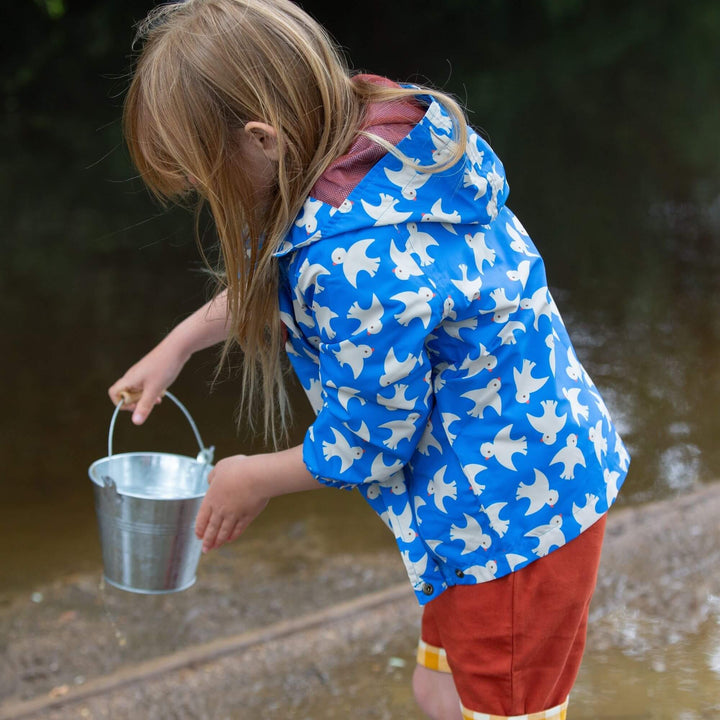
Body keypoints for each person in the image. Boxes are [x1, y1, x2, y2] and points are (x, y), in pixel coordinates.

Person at [109, 1, 630, 718]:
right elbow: (277, 274)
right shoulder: (366, 141)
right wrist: (178, 343)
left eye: (204, 177)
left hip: (514, 518)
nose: (204, 197)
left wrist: (249, 477)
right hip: (476, 498)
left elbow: (369, 441)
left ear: (262, 139)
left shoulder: (359, 263)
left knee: (507, 708)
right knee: (437, 690)